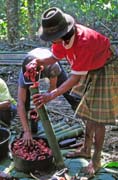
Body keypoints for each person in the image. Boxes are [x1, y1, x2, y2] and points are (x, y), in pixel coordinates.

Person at [25, 7, 118, 178]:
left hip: (106, 66)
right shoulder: (62, 40)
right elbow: (54, 57)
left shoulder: (84, 43)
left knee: (98, 118)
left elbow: (74, 78)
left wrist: (51, 94)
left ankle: (96, 160)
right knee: (89, 111)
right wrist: (39, 61)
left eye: (54, 38)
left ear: (63, 33)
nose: (53, 41)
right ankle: (85, 149)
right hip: (92, 65)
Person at [17, 47, 80, 146]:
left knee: (70, 93)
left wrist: (42, 102)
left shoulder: (53, 66)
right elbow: (20, 101)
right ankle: (30, 128)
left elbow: (52, 88)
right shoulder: (25, 70)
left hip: (50, 67)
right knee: (25, 105)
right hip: (34, 64)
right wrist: (26, 131)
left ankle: (84, 115)